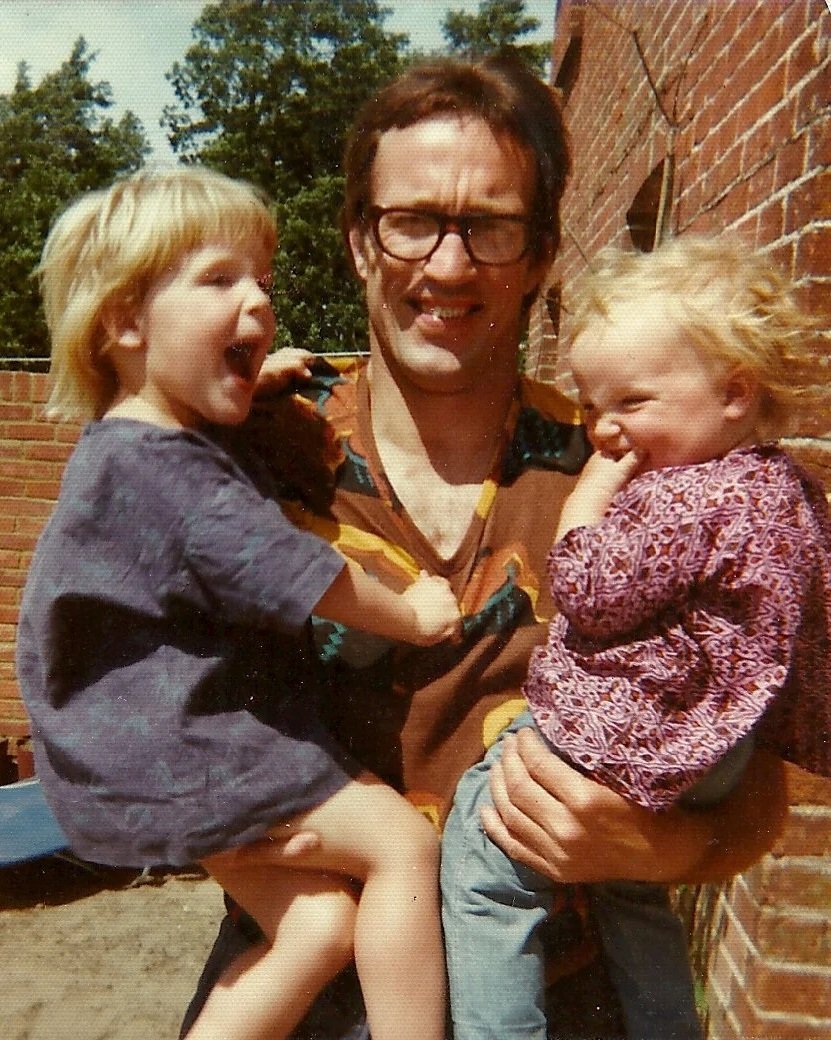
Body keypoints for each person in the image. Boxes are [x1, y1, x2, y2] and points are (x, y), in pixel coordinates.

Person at [182, 58, 789, 1040]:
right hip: (308, 1000)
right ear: (358, 241)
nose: (450, 265)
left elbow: (763, 783)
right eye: (412, 219)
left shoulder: (643, 472)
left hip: (570, 1006)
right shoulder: (244, 464)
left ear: (543, 252)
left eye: (490, 226)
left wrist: (663, 845)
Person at [16, 165, 463, 1040]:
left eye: (262, 282)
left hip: (123, 752)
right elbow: (298, 572)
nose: (256, 305)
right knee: (403, 848)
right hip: (194, 742)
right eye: (219, 280)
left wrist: (247, 386)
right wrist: (415, 616)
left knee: (319, 924)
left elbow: (174, 451)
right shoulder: (174, 476)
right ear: (123, 321)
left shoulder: (126, 447)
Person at [440, 234, 831, 1040]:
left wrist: (586, 498)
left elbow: (584, 589)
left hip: (626, 738)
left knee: (484, 869)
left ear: (732, 393)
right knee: (628, 891)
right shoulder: (789, 490)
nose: (604, 432)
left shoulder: (677, 499)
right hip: (709, 757)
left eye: (630, 403)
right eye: (590, 407)